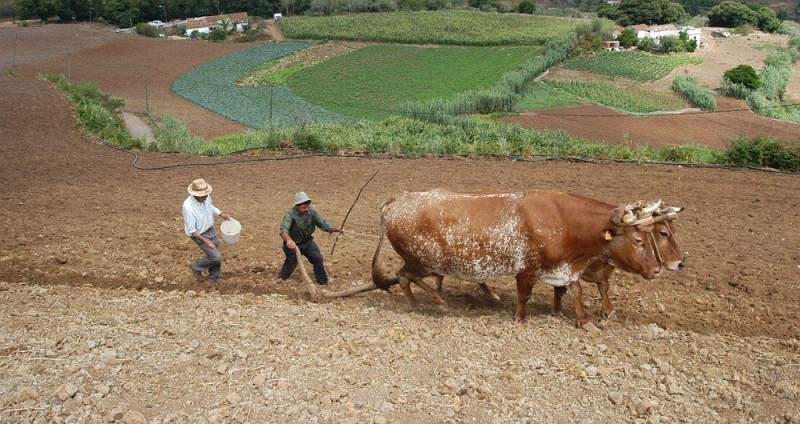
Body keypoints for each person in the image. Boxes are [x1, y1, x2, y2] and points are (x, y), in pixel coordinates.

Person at [279, 191, 342, 285]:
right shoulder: (290, 214)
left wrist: (334, 228)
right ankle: (281, 279)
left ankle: (323, 282)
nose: (306, 207)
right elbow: (284, 230)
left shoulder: (312, 212)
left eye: (307, 204)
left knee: (318, 259)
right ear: (297, 206)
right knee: (291, 262)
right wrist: (289, 240)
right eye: (303, 206)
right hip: (293, 244)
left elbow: (322, 224)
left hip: (307, 242)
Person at [183, 178, 232, 283]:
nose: (206, 196)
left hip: (210, 229)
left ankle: (214, 279)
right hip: (199, 234)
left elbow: (210, 207)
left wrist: (221, 214)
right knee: (215, 257)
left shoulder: (205, 197)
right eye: (203, 195)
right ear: (196, 195)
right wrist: (206, 241)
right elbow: (192, 230)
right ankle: (196, 266)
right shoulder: (188, 207)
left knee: (215, 253)